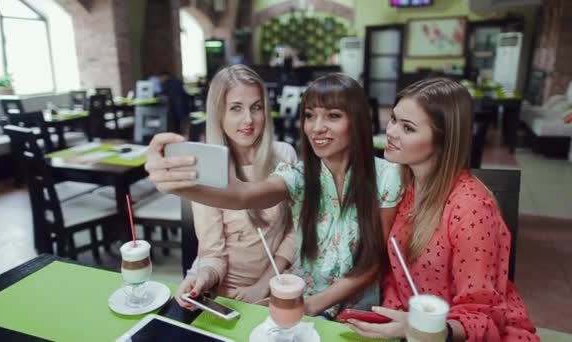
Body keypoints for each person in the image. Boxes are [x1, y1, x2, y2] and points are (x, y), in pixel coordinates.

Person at [145, 73, 403, 318]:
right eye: (310, 116)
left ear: (357, 120)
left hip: (350, 310)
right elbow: (244, 195)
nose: (317, 128)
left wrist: (310, 306)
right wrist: (175, 183)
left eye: (333, 116)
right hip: (298, 295)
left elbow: (372, 263)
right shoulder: (299, 175)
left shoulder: (387, 176)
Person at [346, 78, 538, 341]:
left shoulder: (471, 207)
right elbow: (396, 276)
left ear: (442, 140)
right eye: (393, 119)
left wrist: (424, 327)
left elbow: (482, 314)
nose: (390, 131)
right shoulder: (402, 186)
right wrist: (390, 316)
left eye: (408, 128)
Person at [167, 65, 298, 308]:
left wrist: (264, 285)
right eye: (236, 108)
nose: (248, 120)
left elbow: (295, 230)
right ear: (219, 114)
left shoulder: (284, 155)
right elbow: (213, 255)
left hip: (279, 281)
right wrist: (202, 279)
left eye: (256, 108)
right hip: (228, 293)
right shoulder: (205, 169)